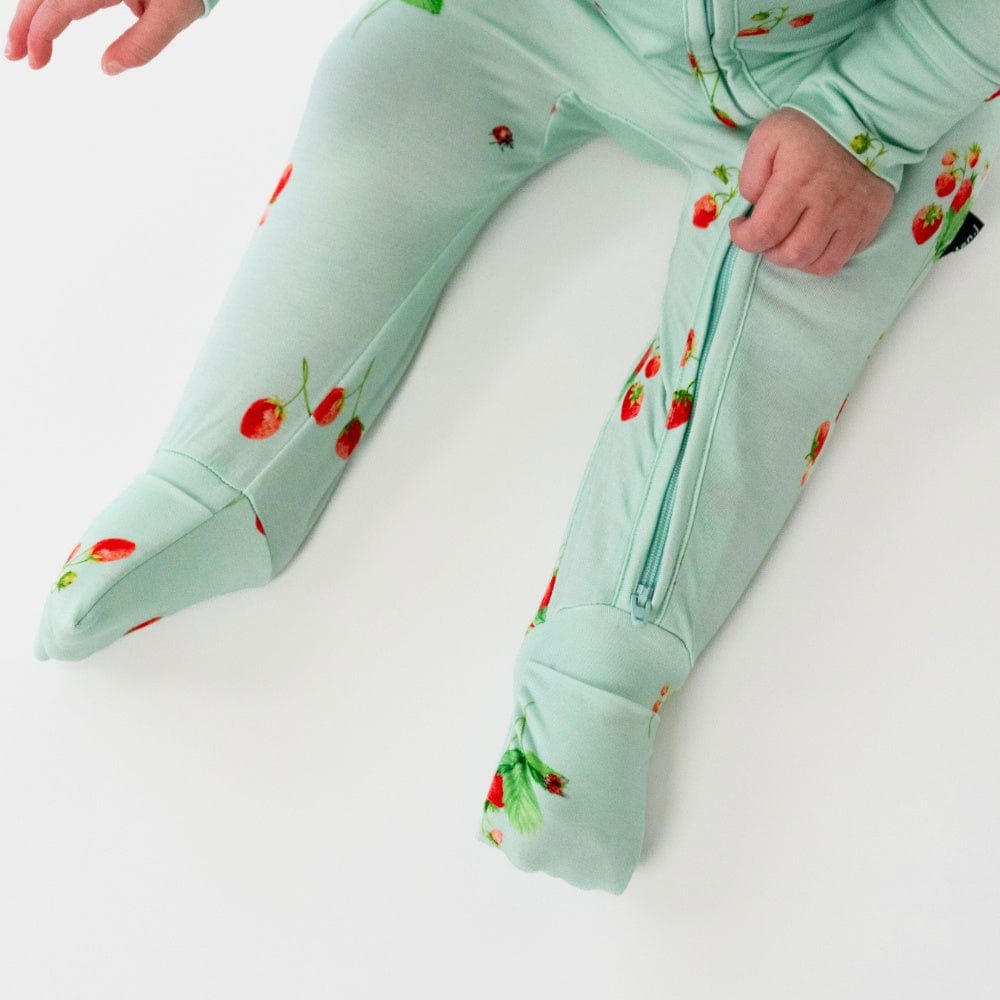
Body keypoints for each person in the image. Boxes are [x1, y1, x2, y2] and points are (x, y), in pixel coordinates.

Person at [8, 0, 1000, 893]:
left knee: (780, 316)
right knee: (387, 89)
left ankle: (598, 670)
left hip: (846, 75)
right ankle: (218, 480)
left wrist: (870, 112)